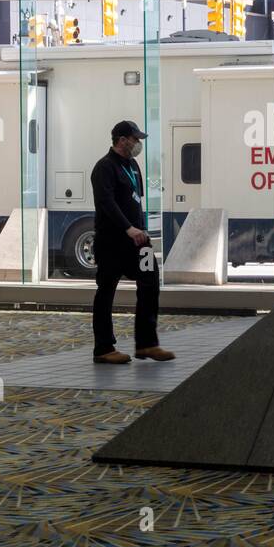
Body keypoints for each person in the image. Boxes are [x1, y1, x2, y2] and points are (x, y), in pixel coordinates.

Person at [90, 120, 175, 364]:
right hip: (111, 242)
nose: (138, 144)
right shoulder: (104, 167)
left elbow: (135, 202)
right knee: (106, 291)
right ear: (122, 139)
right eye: (135, 139)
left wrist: (141, 230)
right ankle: (104, 348)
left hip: (137, 242)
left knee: (150, 281)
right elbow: (107, 203)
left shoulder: (133, 165)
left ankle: (147, 344)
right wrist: (128, 228)